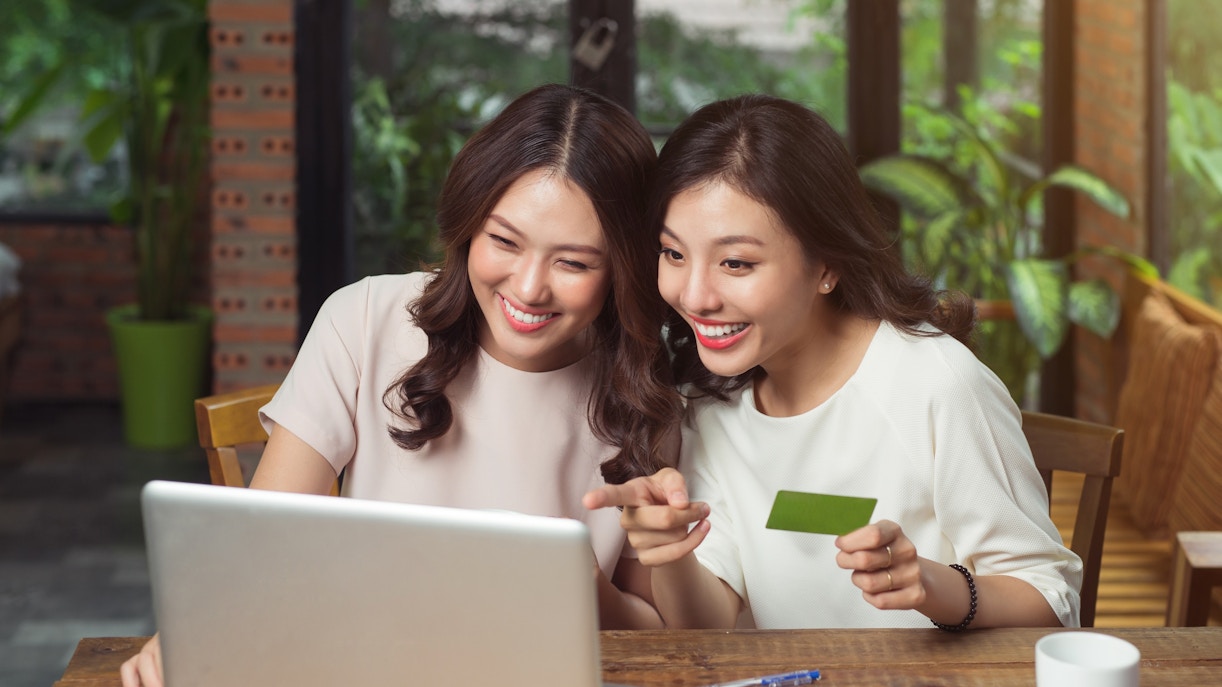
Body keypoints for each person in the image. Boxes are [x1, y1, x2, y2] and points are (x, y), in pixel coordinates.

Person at [121, 83, 683, 686]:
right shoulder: (363, 318)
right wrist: (193, 627)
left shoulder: (644, 388)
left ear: (622, 267)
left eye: (573, 263)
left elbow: (656, 635)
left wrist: (581, 587)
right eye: (503, 241)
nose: (528, 288)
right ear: (469, 226)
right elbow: (266, 543)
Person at [584, 94, 1082, 631]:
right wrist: (673, 553)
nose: (696, 296)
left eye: (735, 262)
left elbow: (1051, 600)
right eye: (674, 254)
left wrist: (933, 585)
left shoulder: (937, 383)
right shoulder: (709, 404)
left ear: (827, 265)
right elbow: (709, 627)